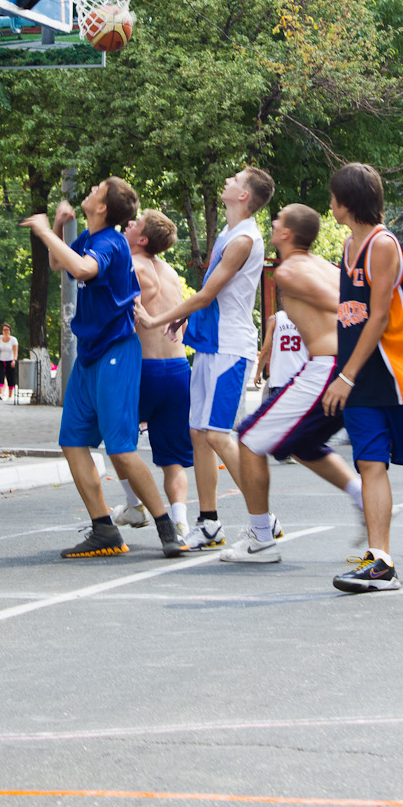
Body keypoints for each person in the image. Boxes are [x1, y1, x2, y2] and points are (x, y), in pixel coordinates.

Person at [21, 177, 186, 559]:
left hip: (116, 351)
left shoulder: (110, 242)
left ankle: (166, 527)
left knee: (121, 447)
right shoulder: (91, 238)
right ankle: (103, 529)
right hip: (90, 353)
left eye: (97, 189)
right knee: (72, 442)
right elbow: (59, 261)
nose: (91, 189)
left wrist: (46, 230)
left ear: (102, 208)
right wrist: (59, 228)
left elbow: (81, 270)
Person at [322, 162, 403, 593]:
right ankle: (381, 561)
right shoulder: (346, 246)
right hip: (363, 380)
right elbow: (351, 316)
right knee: (370, 462)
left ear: (349, 201)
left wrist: (345, 375)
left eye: (335, 195)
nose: (331, 202)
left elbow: (378, 318)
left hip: (402, 374)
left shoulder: (383, 245)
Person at [136, 166, 275, 551]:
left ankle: (264, 516)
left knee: (215, 433)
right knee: (199, 434)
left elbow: (207, 295)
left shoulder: (245, 239)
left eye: (235, 179)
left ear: (244, 196)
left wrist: (159, 317)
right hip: (211, 344)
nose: (228, 180)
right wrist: (183, 315)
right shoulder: (229, 234)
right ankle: (209, 522)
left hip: (231, 347)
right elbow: (206, 291)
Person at [220, 204, 364, 564]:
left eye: (278, 219)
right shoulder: (325, 265)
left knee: (250, 439)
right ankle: (362, 495)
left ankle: (260, 540)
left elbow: (343, 305)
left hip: (327, 367)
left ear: (287, 234)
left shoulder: (290, 271)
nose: (272, 222)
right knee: (297, 442)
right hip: (340, 365)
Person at [111, 209, 192, 540]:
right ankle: (181, 520)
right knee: (172, 459)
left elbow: (125, 320)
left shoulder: (133, 266)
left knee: (117, 440)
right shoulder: (171, 272)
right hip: (178, 369)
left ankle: (135, 506)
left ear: (142, 239)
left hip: (144, 369)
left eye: (136, 223)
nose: (129, 224)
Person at [253, 307, 303, 401]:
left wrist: (258, 373)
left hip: (279, 379)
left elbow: (265, 350)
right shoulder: (307, 319)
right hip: (300, 379)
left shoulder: (274, 320)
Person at [0, 323, 19, 401]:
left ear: (10, 331)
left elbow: (15, 351)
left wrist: (14, 360)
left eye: (7, 330)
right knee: (0, 376)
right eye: (4, 330)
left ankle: (10, 396)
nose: (6, 331)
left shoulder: (13, 340)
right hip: (0, 360)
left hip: (10, 360)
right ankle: (0, 393)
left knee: (10, 377)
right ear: (2, 331)